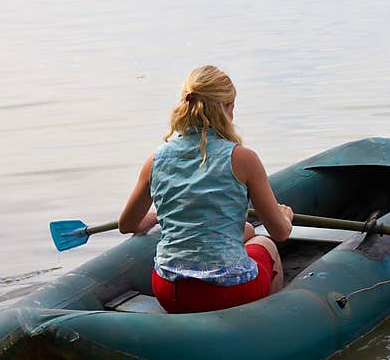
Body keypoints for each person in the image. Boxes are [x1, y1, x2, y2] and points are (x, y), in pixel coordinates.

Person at [118, 65, 294, 313]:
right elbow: (280, 232)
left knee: (245, 230)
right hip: (228, 292)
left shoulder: (155, 160)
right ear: (225, 108)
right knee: (266, 245)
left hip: (170, 290)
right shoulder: (244, 159)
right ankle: (262, 326)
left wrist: (152, 218)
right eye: (232, 106)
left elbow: (126, 225)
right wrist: (285, 216)